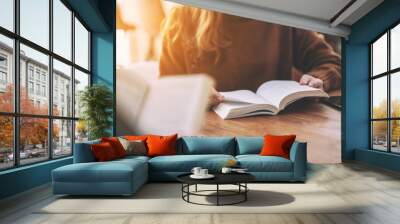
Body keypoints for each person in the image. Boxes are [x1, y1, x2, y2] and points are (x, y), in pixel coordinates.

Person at [159, 6, 341, 106]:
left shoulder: (282, 13)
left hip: (278, 127)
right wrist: (192, 94)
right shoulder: (182, 17)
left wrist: (319, 78)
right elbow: (167, 87)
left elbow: (331, 62)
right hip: (206, 133)